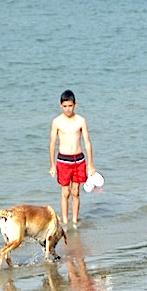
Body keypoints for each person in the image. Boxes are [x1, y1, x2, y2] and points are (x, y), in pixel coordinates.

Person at [49, 90, 95, 227]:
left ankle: (74, 221)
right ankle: (64, 221)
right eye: (65, 106)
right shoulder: (56, 122)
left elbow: (87, 142)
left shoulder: (81, 121)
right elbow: (52, 143)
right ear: (60, 105)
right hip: (63, 160)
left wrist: (90, 164)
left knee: (75, 192)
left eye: (70, 106)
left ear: (75, 104)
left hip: (78, 159)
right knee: (65, 192)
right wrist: (52, 165)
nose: (67, 109)